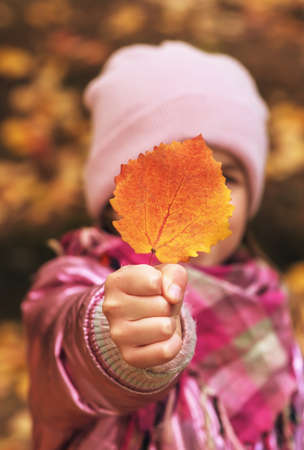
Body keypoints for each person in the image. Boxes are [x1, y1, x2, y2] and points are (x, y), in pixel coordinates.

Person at [22, 41, 304, 449]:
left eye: (228, 176)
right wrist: (112, 335)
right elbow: (66, 354)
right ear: (114, 195)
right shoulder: (80, 279)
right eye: (168, 172)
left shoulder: (263, 300)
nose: (203, 195)